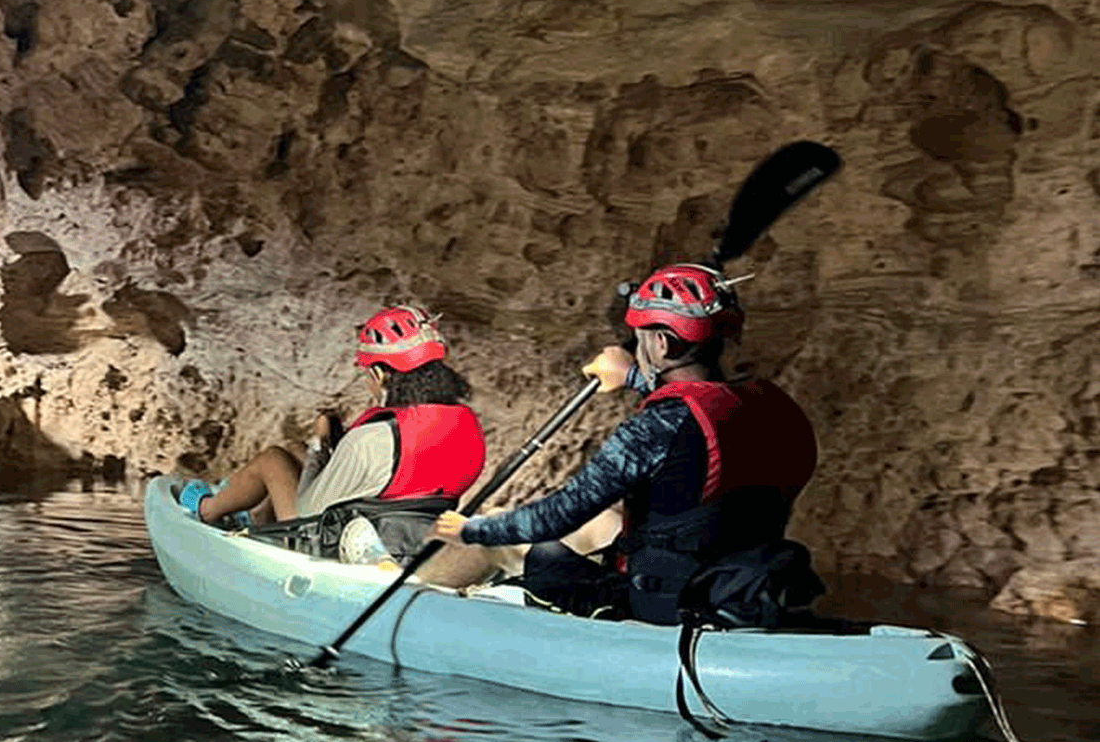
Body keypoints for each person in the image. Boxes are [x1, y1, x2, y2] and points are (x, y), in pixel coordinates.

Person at [425, 264, 821, 625]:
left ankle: (416, 597)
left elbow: (557, 515)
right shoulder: (771, 405)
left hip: (662, 602)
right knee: (602, 525)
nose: (639, 347)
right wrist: (631, 375)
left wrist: (470, 529)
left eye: (642, 338)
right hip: (738, 582)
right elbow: (706, 407)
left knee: (507, 533)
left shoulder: (654, 427)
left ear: (663, 345)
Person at [180, 305, 486, 536]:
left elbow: (308, 512)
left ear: (380, 374)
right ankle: (255, 513)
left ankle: (208, 510)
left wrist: (320, 445)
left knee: (274, 460)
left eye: (368, 374)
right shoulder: (467, 426)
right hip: (412, 533)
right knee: (294, 450)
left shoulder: (374, 438)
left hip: (330, 537)